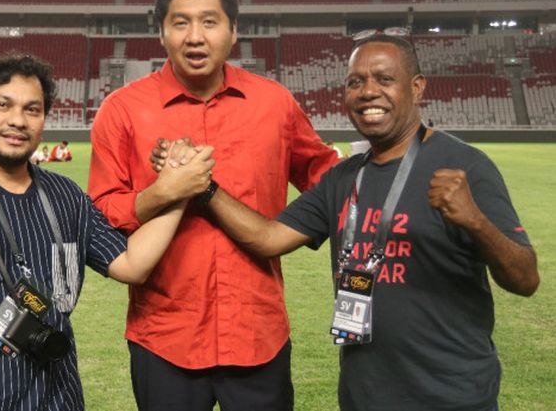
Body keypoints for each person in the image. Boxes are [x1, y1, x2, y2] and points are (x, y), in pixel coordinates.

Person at [168, 34, 539, 411]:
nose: (368, 92)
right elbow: (266, 238)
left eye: (384, 79)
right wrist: (203, 185)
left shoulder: (466, 167)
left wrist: (476, 221)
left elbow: (525, 279)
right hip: (364, 398)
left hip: (451, 397)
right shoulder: (342, 179)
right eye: (355, 82)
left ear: (416, 87)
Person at [0, 53, 213, 411]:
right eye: (2, 105)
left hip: (59, 402)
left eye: (32, 110)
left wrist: (177, 191)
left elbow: (131, 264)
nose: (17, 120)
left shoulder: (65, 196)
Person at [88, 0, 338, 411]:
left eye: (209, 21)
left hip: (258, 332)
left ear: (234, 29)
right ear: (161, 31)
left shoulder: (274, 103)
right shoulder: (122, 110)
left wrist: (298, 231)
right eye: (180, 22)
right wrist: (165, 192)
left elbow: (325, 179)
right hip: (164, 336)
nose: (195, 36)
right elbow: (102, 213)